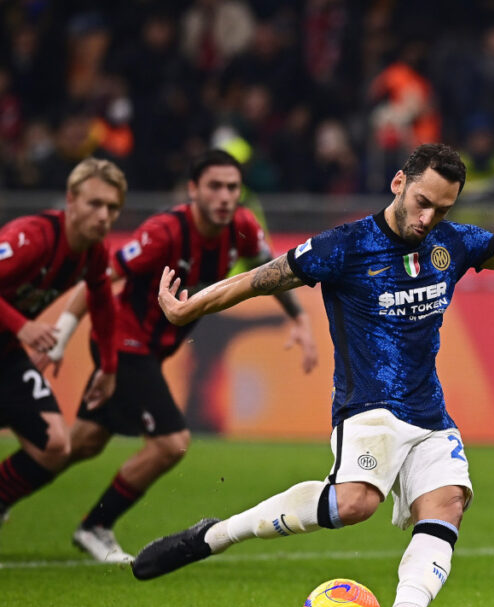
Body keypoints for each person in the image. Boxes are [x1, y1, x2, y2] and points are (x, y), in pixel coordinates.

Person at [131, 143, 494, 607]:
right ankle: (216, 534)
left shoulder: (453, 243)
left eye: (443, 209)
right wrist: (189, 307)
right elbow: (259, 279)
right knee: (355, 504)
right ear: (399, 182)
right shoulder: (345, 246)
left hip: (429, 411)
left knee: (448, 502)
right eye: (422, 201)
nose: (429, 218)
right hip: (368, 406)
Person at [43, 149, 317, 564]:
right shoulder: (164, 232)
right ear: (193, 190)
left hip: (154, 350)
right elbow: (98, 280)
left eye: (232, 187)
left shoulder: (242, 225)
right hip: (124, 343)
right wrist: (61, 336)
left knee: (84, 442)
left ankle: (10, 490)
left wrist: (298, 319)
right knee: (171, 444)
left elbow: (269, 272)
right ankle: (95, 526)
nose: (225, 196)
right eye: (215, 187)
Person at [0, 158, 124, 529]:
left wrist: (109, 368)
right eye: (95, 204)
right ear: (71, 199)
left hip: (5, 354)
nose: (104, 215)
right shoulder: (31, 237)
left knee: (55, 445)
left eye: (112, 207)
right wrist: (22, 327)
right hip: (13, 339)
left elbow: (102, 305)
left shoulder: (94, 252)